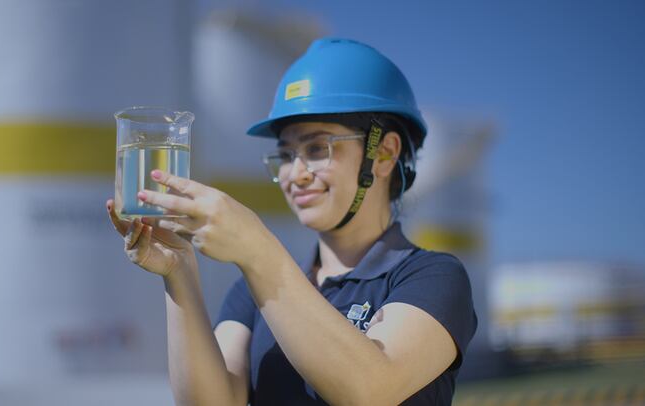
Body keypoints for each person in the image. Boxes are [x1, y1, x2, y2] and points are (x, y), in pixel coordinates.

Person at [107, 37, 477, 406]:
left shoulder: (431, 277)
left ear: (384, 153)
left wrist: (257, 249)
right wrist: (179, 271)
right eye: (285, 155)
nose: (295, 174)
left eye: (317, 149)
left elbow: (371, 391)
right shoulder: (251, 293)